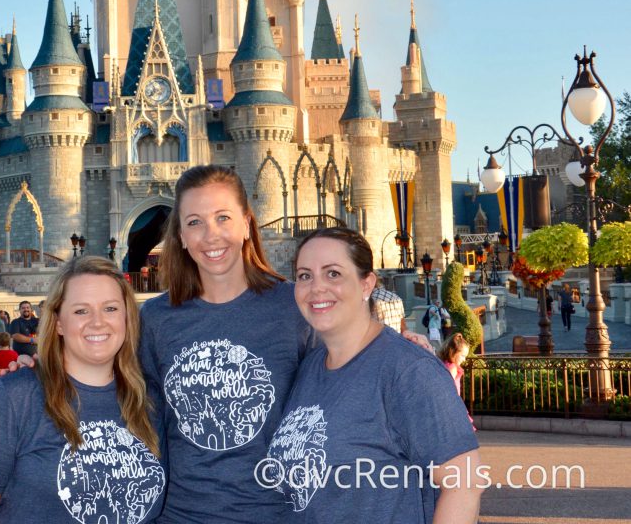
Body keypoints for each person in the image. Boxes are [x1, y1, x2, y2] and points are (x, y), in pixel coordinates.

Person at [266, 227, 481, 523]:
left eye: (333, 274)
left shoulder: (408, 370)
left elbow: (465, 484)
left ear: (366, 284)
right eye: (305, 276)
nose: (316, 288)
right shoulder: (310, 368)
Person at [138, 165, 313, 524]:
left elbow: (347, 377)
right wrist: (34, 373)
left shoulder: (295, 307)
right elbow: (121, 395)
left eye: (223, 218)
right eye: (195, 222)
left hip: (279, 514)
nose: (211, 235)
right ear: (181, 236)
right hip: (182, 515)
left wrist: (398, 349)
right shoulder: (155, 319)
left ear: (246, 224)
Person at [0, 256, 165, 524]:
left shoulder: (150, 400)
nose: (98, 322)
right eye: (81, 311)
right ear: (58, 322)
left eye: (111, 308)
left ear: (127, 317)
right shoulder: (14, 398)